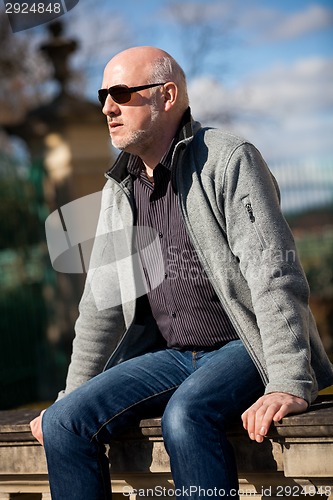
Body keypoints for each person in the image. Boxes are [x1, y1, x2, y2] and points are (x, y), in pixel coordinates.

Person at [30, 46, 333, 500]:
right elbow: (101, 305)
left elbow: (274, 275)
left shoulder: (229, 161)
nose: (107, 107)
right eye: (103, 96)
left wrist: (290, 380)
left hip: (244, 344)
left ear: (166, 96)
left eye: (121, 93)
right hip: (174, 355)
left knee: (186, 414)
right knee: (63, 422)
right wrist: (72, 393)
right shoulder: (120, 189)